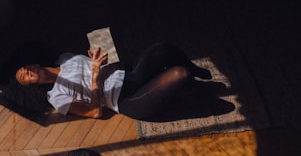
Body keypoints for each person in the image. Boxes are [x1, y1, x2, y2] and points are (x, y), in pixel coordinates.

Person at [15, 43, 211, 120]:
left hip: (128, 75)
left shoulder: (65, 58)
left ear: (34, 62)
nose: (25, 72)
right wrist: (94, 77)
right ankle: (188, 88)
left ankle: (194, 74)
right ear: (33, 86)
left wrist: (100, 55)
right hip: (126, 100)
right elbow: (95, 111)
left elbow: (109, 61)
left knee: (162, 49)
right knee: (180, 74)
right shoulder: (56, 97)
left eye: (24, 68)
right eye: (23, 77)